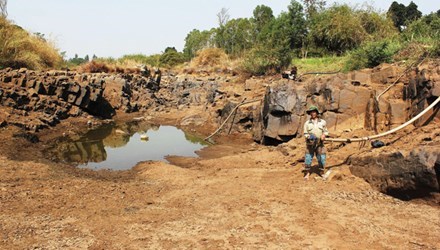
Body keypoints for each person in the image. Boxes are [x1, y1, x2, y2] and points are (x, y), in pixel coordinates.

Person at [303, 105, 329, 180]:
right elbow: (305, 133)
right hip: (310, 144)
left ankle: (321, 172)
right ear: (310, 114)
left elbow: (326, 131)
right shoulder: (307, 123)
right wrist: (309, 137)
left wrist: (324, 135)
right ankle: (307, 173)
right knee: (308, 158)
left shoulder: (323, 122)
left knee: (321, 158)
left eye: (314, 112)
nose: (313, 113)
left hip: (320, 144)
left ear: (317, 113)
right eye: (311, 112)